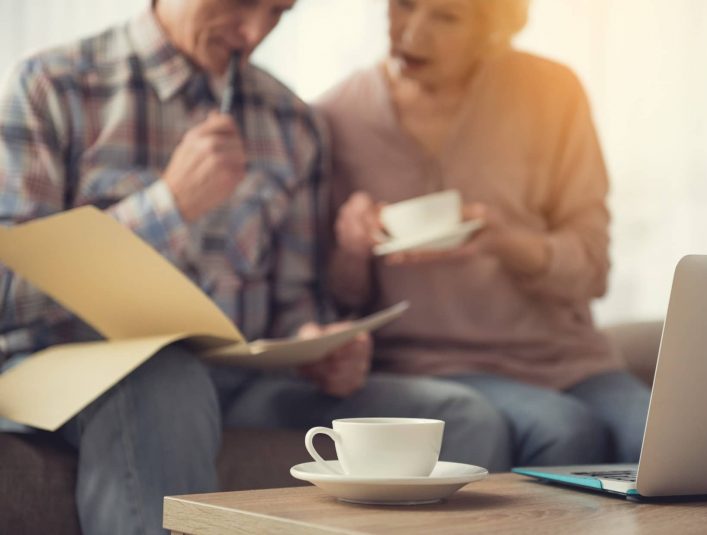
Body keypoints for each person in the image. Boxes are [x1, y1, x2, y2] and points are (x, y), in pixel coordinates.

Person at [0, 1, 512, 533]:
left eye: (277, 12)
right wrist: (169, 207)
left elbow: (297, 302)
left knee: (465, 418)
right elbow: (8, 290)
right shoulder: (52, 86)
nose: (253, 32)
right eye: (243, 2)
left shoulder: (290, 121)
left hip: (244, 379)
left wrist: (317, 342)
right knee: (166, 380)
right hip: (73, 376)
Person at [318, 0, 651, 468]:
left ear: (491, 30)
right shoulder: (336, 116)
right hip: (430, 366)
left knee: (671, 450)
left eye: (446, 17)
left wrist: (506, 243)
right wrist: (351, 249)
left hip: (568, 361)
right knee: (566, 431)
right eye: (404, 5)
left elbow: (593, 269)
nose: (412, 33)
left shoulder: (552, 93)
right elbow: (335, 302)